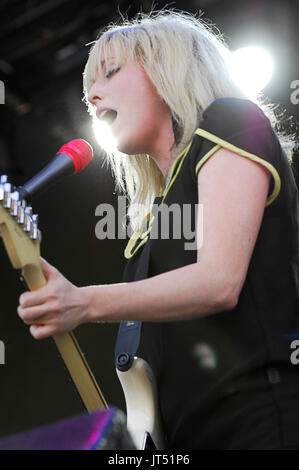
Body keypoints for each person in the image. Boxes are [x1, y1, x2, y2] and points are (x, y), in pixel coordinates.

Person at [17, 10, 299, 449]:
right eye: (89, 86)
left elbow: (219, 282)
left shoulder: (230, 120)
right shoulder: (148, 233)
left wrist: (84, 301)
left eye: (110, 72)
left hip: (263, 417)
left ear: (170, 69)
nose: (91, 96)